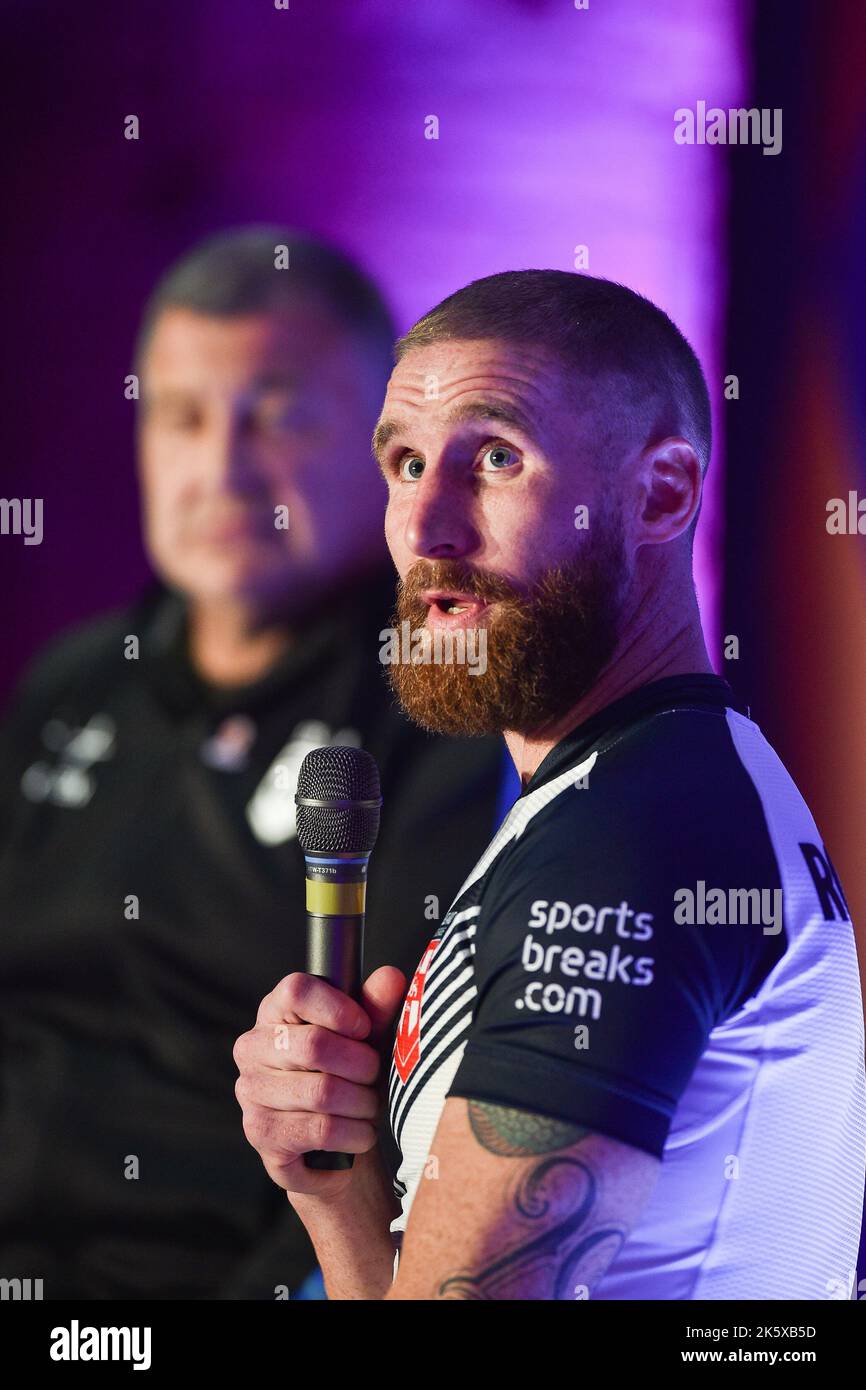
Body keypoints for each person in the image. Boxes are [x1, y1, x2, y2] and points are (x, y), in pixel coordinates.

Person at [235, 268, 866, 1300]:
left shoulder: (632, 831)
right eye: (404, 463)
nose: (425, 527)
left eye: (495, 456)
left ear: (661, 493)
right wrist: (336, 1189)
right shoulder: (637, 786)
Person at [0, 229, 512, 1300]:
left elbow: (395, 1133)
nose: (223, 471)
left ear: (384, 453)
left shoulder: (440, 715)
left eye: (278, 418)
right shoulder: (73, 684)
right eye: (183, 418)